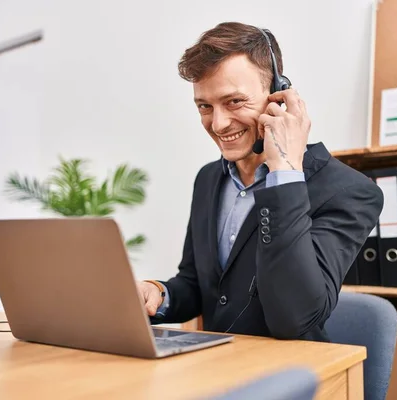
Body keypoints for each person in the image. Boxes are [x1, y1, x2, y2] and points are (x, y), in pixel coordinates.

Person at [137, 21, 383, 342]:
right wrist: (158, 293)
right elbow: (198, 285)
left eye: (235, 101)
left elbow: (294, 318)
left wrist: (285, 172)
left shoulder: (349, 191)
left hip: (292, 378)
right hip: (220, 371)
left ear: (277, 98)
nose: (219, 123)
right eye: (205, 107)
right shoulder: (209, 179)